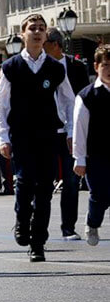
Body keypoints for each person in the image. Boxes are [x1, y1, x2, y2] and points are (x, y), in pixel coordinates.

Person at [0, 14, 76, 262]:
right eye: (32, 28)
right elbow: (1, 104)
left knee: (45, 189)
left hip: (48, 134)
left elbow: (69, 101)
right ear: (23, 34)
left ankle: (38, 242)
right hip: (21, 135)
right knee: (24, 182)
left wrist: (71, 132)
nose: (38, 32)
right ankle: (22, 219)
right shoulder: (11, 67)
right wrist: (2, 137)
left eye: (42, 28)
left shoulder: (55, 67)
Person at [44, 27, 90, 240]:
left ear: (55, 45)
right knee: (43, 180)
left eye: (44, 44)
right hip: (46, 130)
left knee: (71, 181)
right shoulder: (39, 67)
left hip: (71, 130)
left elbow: (83, 98)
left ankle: (68, 228)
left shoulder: (76, 67)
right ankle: (38, 226)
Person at [72, 44, 110, 246]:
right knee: (100, 195)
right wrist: (79, 158)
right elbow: (80, 128)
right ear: (96, 67)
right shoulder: (87, 96)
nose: (109, 69)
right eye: (106, 65)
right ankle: (93, 221)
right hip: (96, 154)